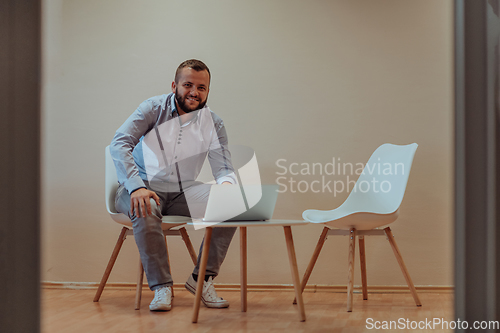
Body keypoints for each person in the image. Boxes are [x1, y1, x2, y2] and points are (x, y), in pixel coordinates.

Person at [110, 59, 237, 311]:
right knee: (145, 205)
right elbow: (119, 144)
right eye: (188, 84)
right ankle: (161, 287)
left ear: (208, 91)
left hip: (182, 192)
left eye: (201, 87)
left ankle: (201, 280)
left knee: (233, 203)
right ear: (174, 85)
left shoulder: (214, 123)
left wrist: (226, 185)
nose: (194, 92)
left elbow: (223, 167)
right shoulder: (152, 108)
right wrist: (136, 187)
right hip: (140, 187)